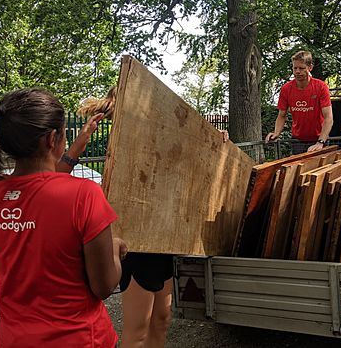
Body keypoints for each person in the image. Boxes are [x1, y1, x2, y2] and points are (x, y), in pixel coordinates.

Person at [0, 88, 127, 348]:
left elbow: (40, 188)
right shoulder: (85, 195)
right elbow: (104, 286)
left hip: (15, 340)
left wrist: (75, 149)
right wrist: (115, 251)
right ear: (52, 139)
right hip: (81, 339)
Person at [78, 87, 229, 348]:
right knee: (137, 330)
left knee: (162, 319)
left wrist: (216, 138)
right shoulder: (123, 139)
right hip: (137, 245)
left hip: (163, 241)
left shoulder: (160, 132)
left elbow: (187, 151)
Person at [265, 50, 334, 154]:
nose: (297, 71)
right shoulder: (286, 89)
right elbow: (281, 115)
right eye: (295, 68)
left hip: (319, 138)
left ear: (310, 67)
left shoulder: (321, 87)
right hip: (297, 141)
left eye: (301, 68)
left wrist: (320, 142)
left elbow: (328, 117)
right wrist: (276, 133)